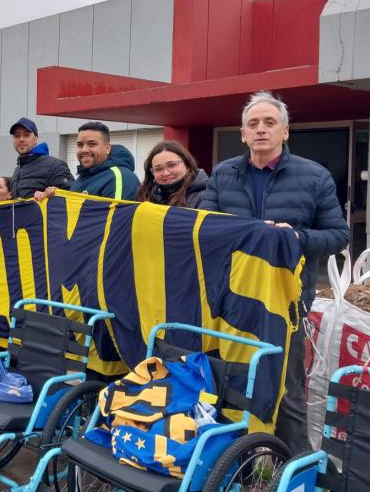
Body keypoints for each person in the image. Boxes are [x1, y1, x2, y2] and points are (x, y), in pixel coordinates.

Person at [199, 91, 349, 453]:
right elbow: (202, 226)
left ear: (285, 132)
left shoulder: (314, 177)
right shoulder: (223, 173)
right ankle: (237, 462)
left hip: (286, 305)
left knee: (286, 391)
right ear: (243, 133)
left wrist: (294, 237)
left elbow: (338, 235)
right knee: (225, 383)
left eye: (270, 123)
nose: (261, 129)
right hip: (227, 300)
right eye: (253, 124)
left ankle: (295, 467)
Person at [36, 121, 140, 202]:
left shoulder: (120, 177)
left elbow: (116, 222)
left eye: (92, 144)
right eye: (80, 145)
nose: (84, 150)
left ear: (107, 148)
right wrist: (58, 196)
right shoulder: (81, 179)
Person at [9, 117, 73, 199]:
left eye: (26, 135)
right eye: (17, 136)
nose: (21, 139)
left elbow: (73, 195)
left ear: (36, 139)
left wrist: (55, 192)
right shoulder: (18, 170)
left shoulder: (55, 165)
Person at [137, 141, 209, 208]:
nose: (166, 173)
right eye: (158, 169)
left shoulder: (206, 197)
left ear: (187, 166)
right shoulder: (145, 196)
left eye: (172, 165)